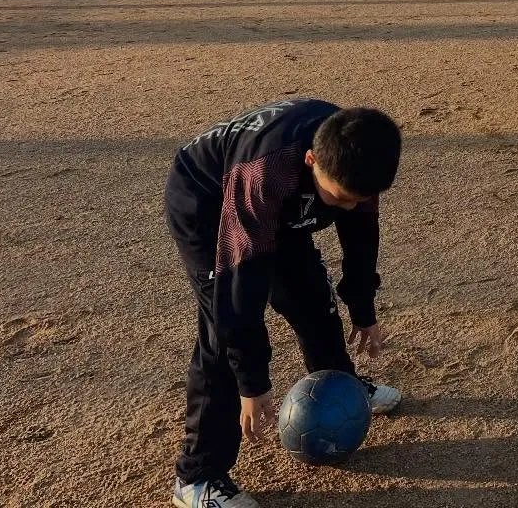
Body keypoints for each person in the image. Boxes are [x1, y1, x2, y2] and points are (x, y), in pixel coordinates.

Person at [164, 100, 404, 508]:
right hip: (208, 201)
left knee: (312, 296)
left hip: (286, 200)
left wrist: (363, 310)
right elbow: (242, 292)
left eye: (358, 199)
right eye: (340, 197)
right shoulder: (265, 173)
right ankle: (197, 477)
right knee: (220, 330)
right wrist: (252, 383)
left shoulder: (359, 156)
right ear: (311, 160)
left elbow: (361, 241)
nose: (348, 208)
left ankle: (338, 390)